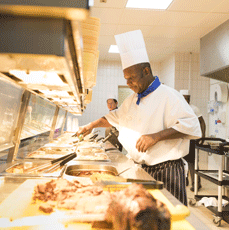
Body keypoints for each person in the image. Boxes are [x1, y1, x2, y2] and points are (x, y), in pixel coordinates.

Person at [77, 30, 201, 205]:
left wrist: (155, 137)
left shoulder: (169, 95)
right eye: (126, 79)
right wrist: (90, 125)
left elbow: (192, 126)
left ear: (146, 71)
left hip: (166, 170)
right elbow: (114, 118)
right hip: (142, 168)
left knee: (171, 218)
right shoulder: (132, 99)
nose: (128, 83)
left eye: (132, 78)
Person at [180, 90, 206, 192]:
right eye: (185, 98)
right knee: (180, 161)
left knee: (192, 162)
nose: (186, 100)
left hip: (191, 139)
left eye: (188, 98)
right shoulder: (177, 107)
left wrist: (203, 135)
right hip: (180, 139)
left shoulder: (194, 108)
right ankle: (184, 180)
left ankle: (196, 184)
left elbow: (202, 122)